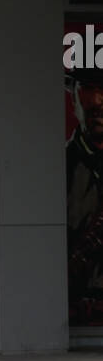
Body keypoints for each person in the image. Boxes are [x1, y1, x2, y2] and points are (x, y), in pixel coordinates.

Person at [66, 69, 103, 323]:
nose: (98, 100)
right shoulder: (63, 164)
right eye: (89, 89)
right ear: (75, 98)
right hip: (79, 302)